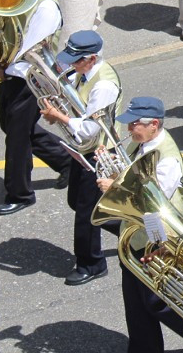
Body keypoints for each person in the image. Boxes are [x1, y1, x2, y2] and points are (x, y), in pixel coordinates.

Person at [0, 0, 71, 216]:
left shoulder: (46, 6)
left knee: (17, 137)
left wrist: (3, 68)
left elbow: (30, 48)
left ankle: (20, 194)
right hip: (12, 75)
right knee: (11, 126)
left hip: (27, 78)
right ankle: (67, 161)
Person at [99, 97, 183, 353]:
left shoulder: (167, 159)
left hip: (157, 237)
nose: (129, 130)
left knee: (156, 302)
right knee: (135, 304)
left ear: (154, 124)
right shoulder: (142, 142)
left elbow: (152, 201)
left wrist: (115, 188)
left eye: (134, 125)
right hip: (135, 233)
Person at [39, 30, 121, 286]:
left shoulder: (104, 86)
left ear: (92, 58)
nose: (71, 65)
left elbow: (89, 129)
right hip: (83, 148)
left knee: (85, 212)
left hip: (99, 152)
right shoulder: (84, 74)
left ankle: (91, 264)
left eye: (77, 60)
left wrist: (60, 117)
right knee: (77, 201)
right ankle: (128, 229)